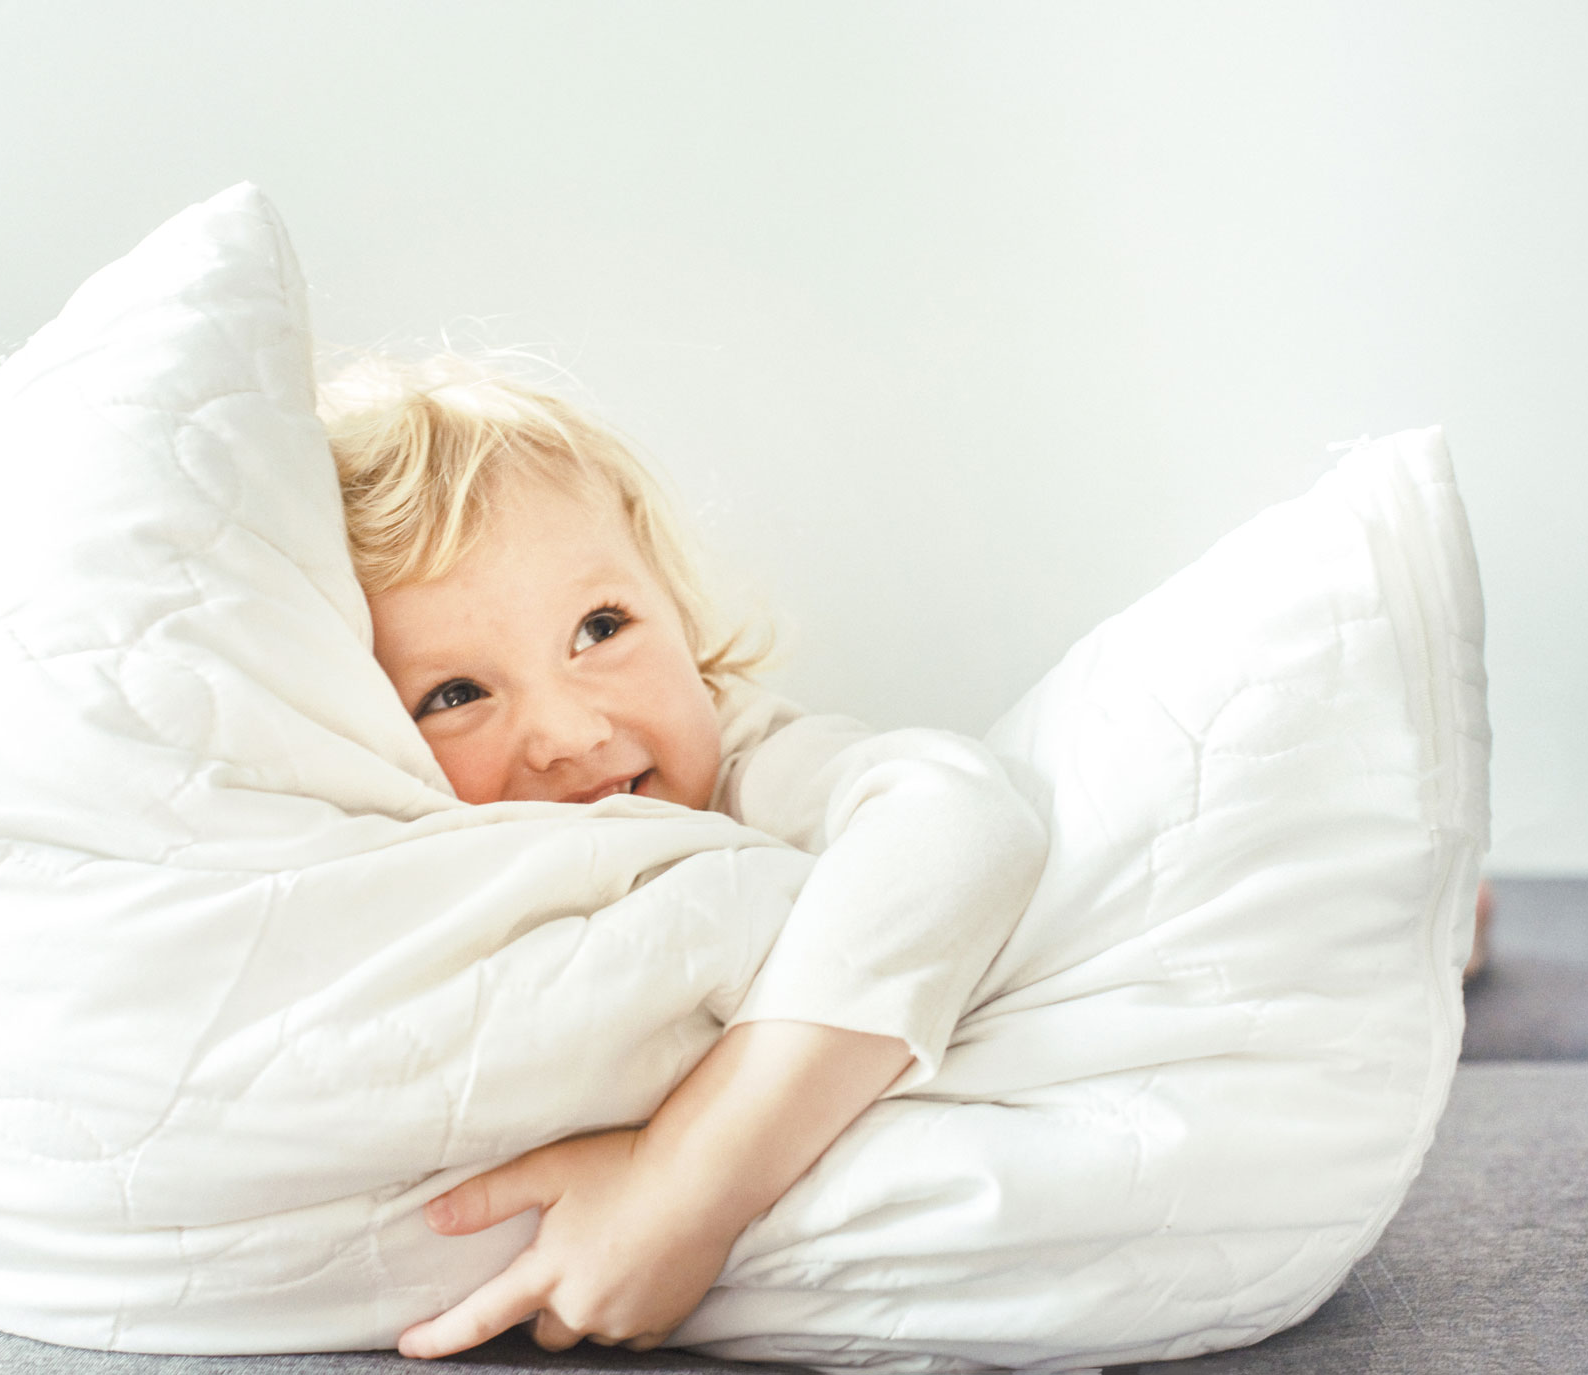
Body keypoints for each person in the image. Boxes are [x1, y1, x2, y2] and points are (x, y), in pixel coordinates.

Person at [319, 355, 1052, 1357]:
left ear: (678, 615)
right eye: (455, 693)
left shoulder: (751, 761)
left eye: (600, 627)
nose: (571, 731)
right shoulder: (395, 870)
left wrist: (685, 1181)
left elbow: (962, 821)